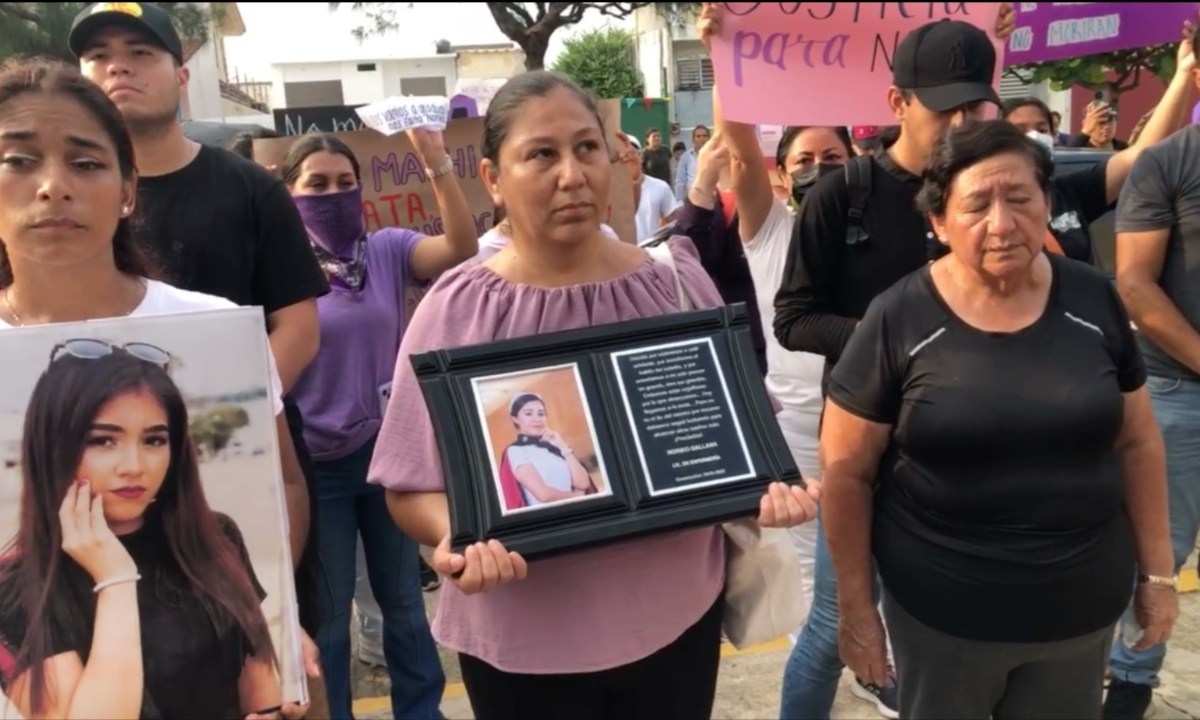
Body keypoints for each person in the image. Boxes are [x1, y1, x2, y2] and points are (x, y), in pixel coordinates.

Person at [367, 70, 820, 719]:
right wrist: (458, 539)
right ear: (493, 177)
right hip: (522, 643)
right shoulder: (457, 307)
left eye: (587, 148)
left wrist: (772, 487)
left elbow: (742, 441)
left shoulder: (675, 282)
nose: (571, 174)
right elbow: (409, 486)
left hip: (675, 624)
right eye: (541, 154)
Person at [822, 120, 1178, 720]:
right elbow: (845, 473)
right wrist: (857, 611)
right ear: (938, 221)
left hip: (1079, 613)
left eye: (1020, 198)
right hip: (944, 620)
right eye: (976, 205)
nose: (1002, 223)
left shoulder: (1094, 299)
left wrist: (1160, 576)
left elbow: (1138, 441)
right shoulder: (898, 318)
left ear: (1047, 202)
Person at [0, 57, 318, 718]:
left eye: (86, 163)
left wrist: (281, 624)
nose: (53, 187)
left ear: (127, 190)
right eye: (18, 161)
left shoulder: (211, 327)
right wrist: (113, 574)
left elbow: (285, 484)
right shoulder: (21, 576)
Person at [759, 9, 1016, 718]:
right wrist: (895, 344)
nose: (962, 126)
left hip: (965, 445)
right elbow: (794, 318)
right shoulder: (842, 194)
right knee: (836, 623)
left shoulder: (985, 187)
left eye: (976, 108)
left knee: (945, 617)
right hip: (865, 447)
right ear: (897, 103)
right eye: (945, 110)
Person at [280, 128, 476, 720]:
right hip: (318, 469)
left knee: (403, 604)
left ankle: (421, 712)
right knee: (333, 615)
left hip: (388, 460)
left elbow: (460, 248)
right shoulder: (282, 267)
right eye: (317, 185)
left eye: (345, 183)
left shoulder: (388, 249)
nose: (333, 195)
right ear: (290, 194)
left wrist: (436, 162)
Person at [0, 344, 283, 719]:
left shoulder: (213, 536)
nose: (134, 466)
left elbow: (262, 689)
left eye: (154, 440)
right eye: (103, 440)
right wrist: (115, 579)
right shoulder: (19, 585)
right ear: (53, 447)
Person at [1107, 27, 1200, 716]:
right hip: (1177, 395)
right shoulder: (1169, 162)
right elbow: (1136, 285)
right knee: (1157, 567)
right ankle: (1127, 697)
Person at [999, 43, 1196, 265]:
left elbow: (1141, 151)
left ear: (1054, 135)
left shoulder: (1070, 192)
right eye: (1020, 130)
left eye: (1042, 129)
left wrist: (1182, 73)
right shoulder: (992, 208)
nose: (1033, 136)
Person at [499, 393, 595, 510]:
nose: (537, 419)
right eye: (528, 414)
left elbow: (583, 483)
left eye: (541, 413)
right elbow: (543, 495)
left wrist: (563, 447)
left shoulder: (554, 448)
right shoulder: (516, 451)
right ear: (515, 418)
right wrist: (576, 498)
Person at [674, 124, 710, 201]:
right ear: (693, 139)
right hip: (692, 200)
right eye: (698, 136)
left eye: (705, 136)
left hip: (712, 199)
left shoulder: (716, 156)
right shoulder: (686, 157)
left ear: (709, 138)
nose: (702, 139)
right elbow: (681, 181)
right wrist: (679, 202)